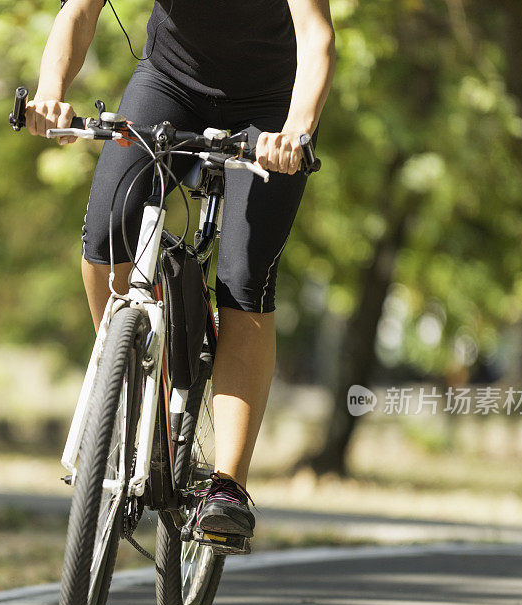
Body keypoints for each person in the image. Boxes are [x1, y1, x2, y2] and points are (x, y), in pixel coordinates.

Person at [27, 0, 336, 548]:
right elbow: (78, 10)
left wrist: (296, 130)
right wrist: (51, 91)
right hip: (169, 85)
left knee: (243, 278)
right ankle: (127, 383)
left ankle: (228, 487)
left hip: (270, 110)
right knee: (106, 235)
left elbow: (316, 39)